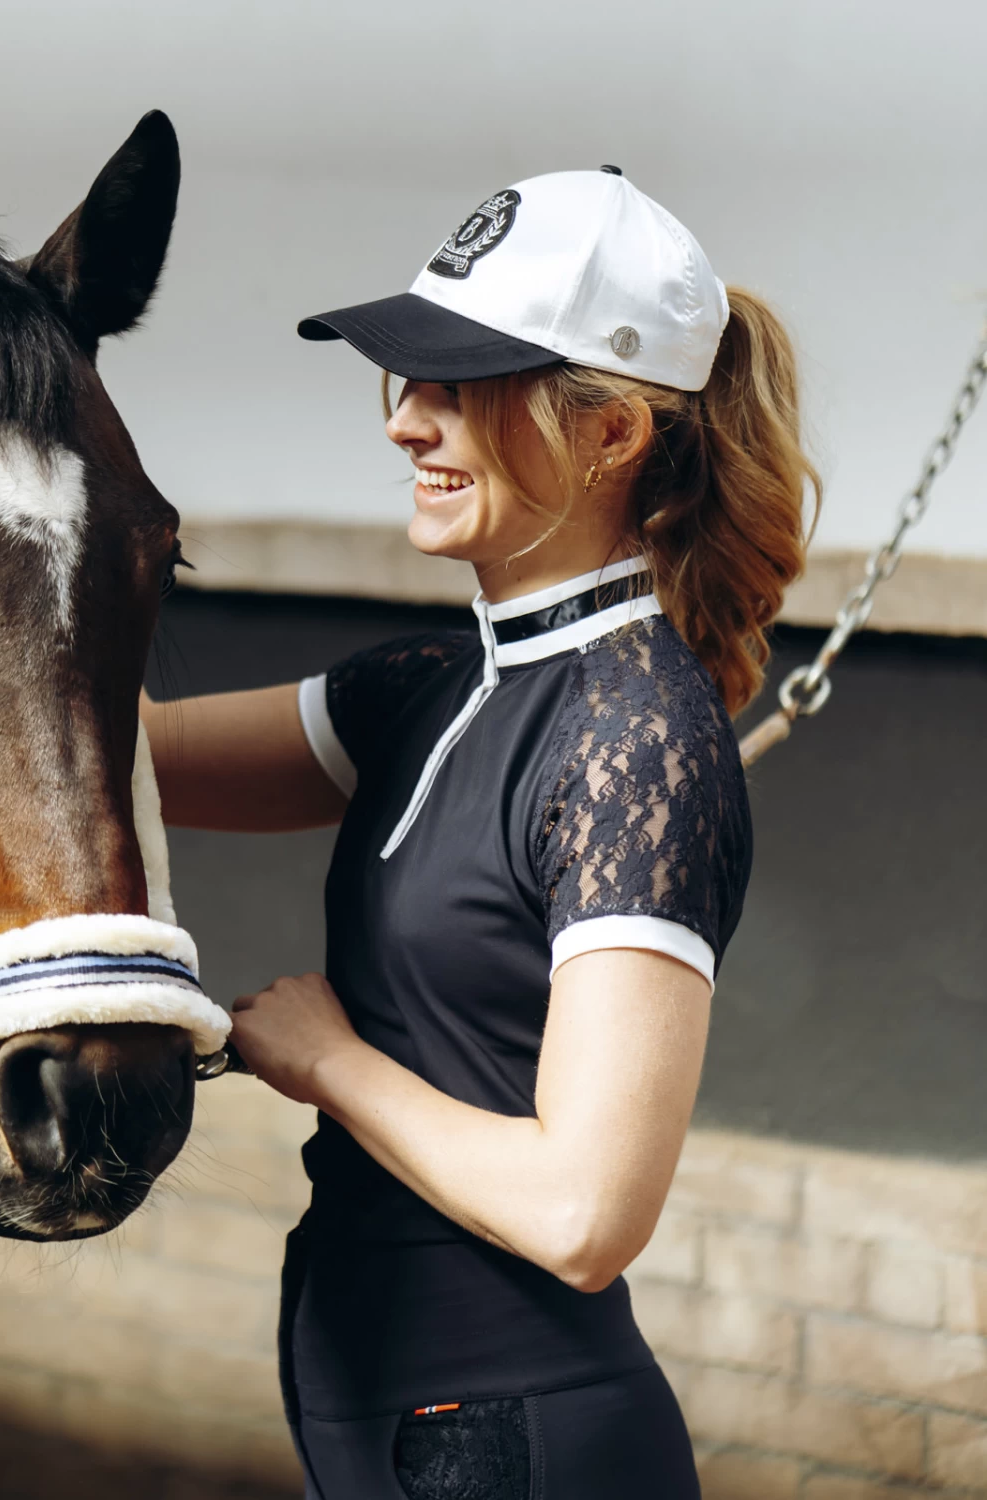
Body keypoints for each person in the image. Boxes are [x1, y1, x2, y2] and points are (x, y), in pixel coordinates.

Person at [141, 167, 818, 1498]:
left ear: (613, 432)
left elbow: (583, 1216)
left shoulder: (639, 737)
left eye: (459, 387)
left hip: (515, 1444)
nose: (407, 423)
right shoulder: (430, 689)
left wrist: (330, 1062)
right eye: (406, 381)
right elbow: (122, 755)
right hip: (401, 1431)